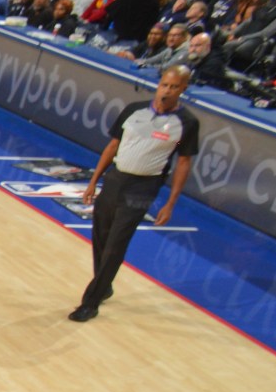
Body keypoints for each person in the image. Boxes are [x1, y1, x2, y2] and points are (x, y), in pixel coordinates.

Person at [71, 64, 200, 323]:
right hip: (115, 178)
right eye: (164, 84)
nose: (167, 90)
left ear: (183, 89)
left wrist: (171, 202)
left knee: (117, 243)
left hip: (144, 186)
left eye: (174, 87)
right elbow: (113, 145)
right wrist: (93, 180)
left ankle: (90, 302)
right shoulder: (134, 111)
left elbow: (183, 162)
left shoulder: (186, 123)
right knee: (101, 236)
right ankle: (104, 284)